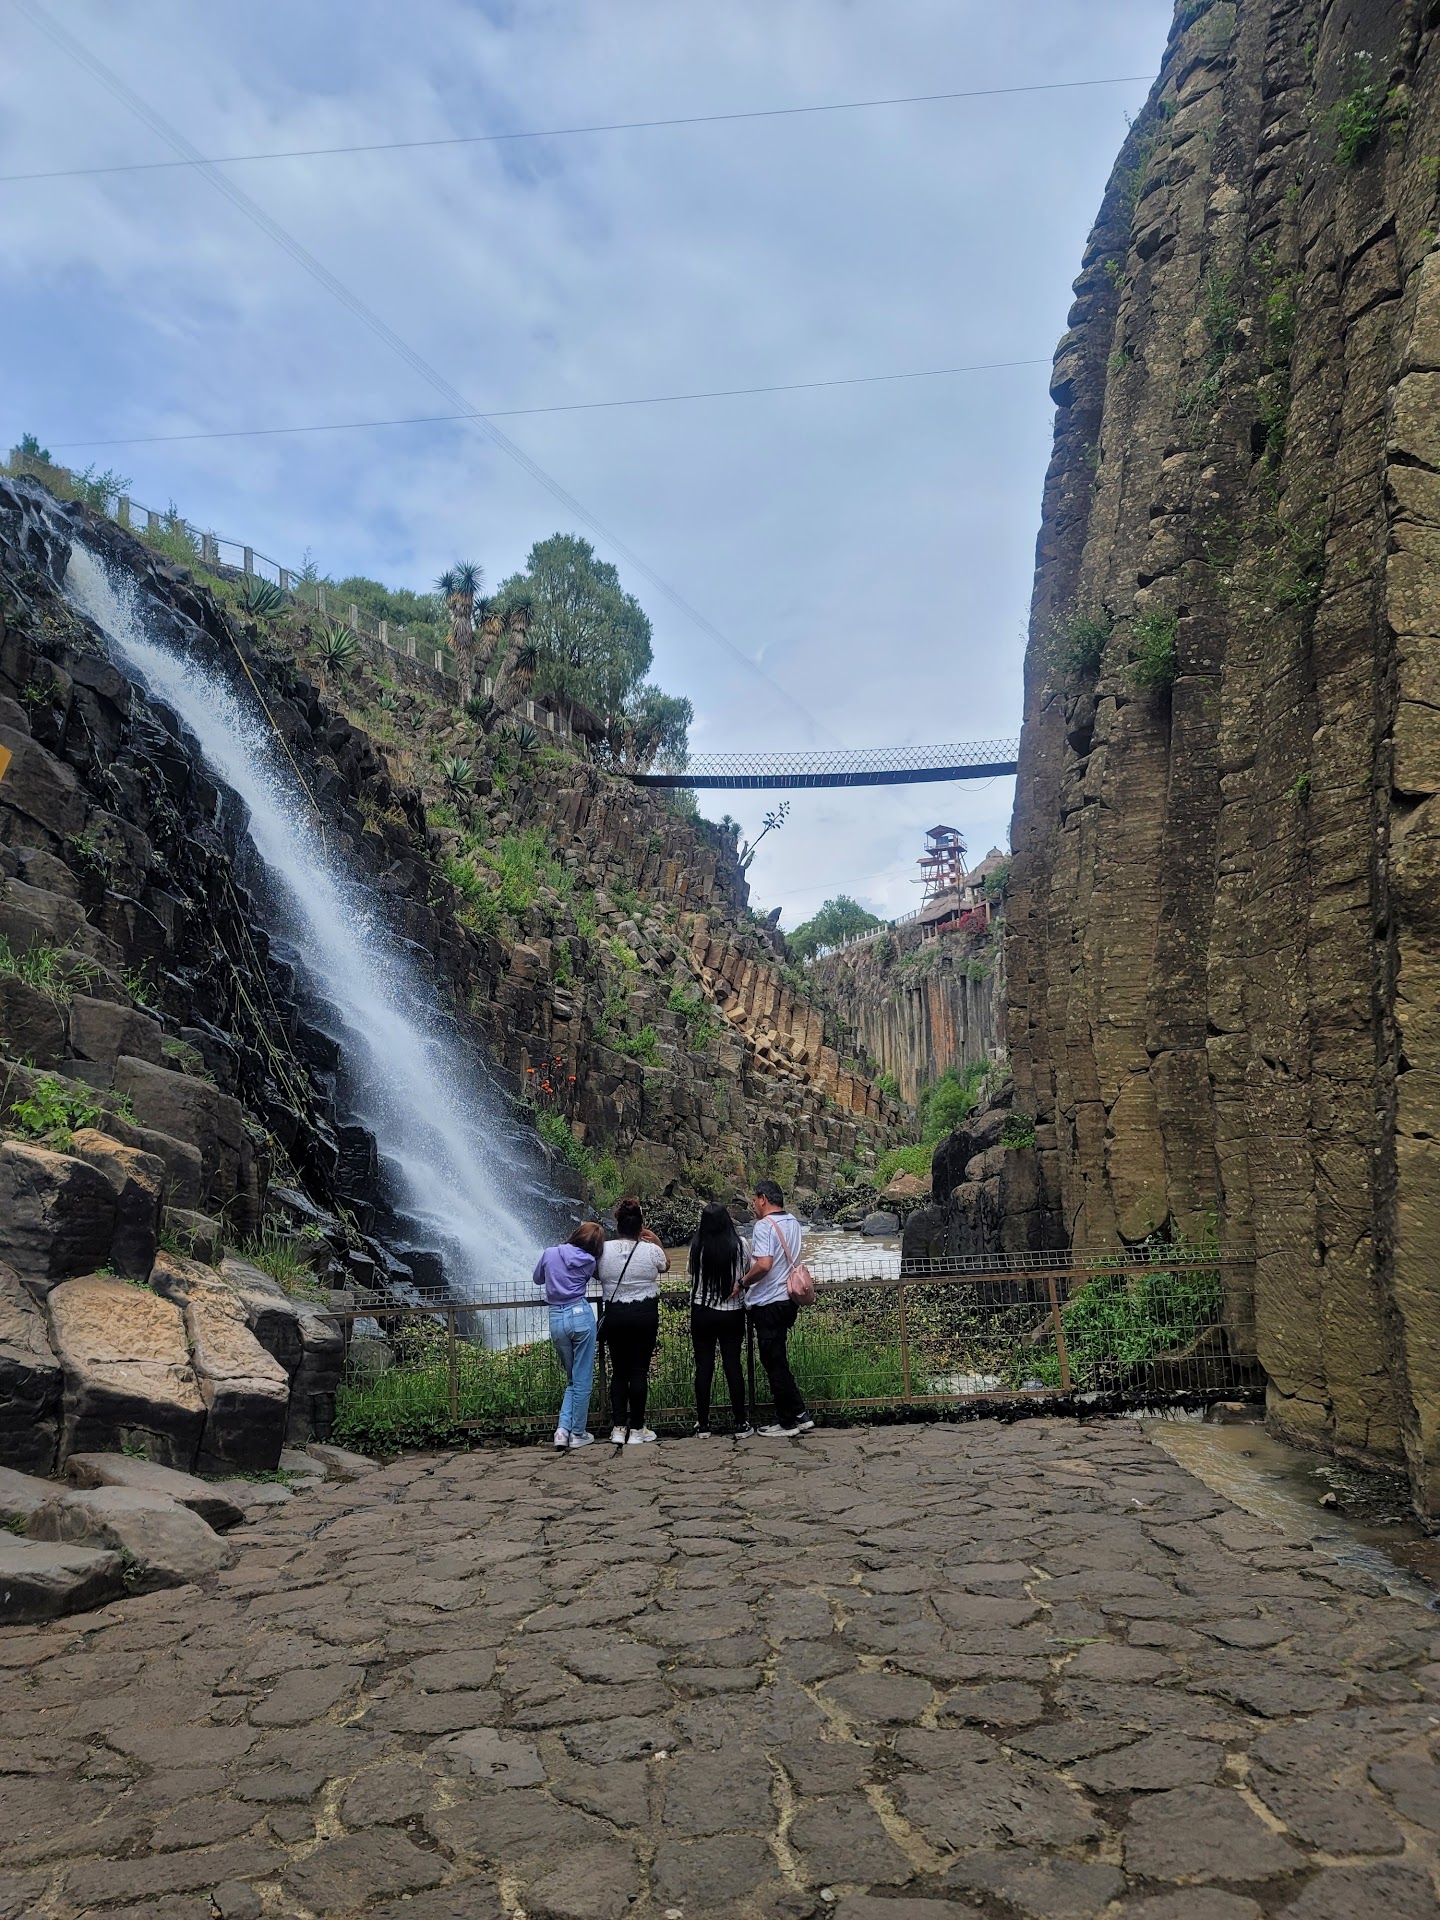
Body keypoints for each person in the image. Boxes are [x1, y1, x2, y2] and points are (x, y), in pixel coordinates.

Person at [741, 1179, 815, 1437]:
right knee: (777, 1359)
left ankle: (786, 1422)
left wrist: (742, 1282)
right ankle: (800, 1414)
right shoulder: (793, 1222)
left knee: (773, 1362)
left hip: (768, 1303)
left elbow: (764, 1264)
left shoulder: (764, 1226)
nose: (753, 1205)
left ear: (763, 1198)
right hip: (788, 1300)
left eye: (754, 1200)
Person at [596, 1197, 669, 1443]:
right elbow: (666, 1265)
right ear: (641, 1227)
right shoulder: (650, 1250)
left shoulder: (604, 1250)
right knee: (638, 1371)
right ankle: (637, 1429)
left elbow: (596, 1274)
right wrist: (655, 1239)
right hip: (644, 1315)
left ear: (618, 1226)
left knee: (619, 1371)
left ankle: (618, 1428)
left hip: (615, 1314)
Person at [532, 1220, 606, 1450]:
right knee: (582, 1379)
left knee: (572, 1380)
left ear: (576, 1234)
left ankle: (562, 1431)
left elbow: (537, 1278)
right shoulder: (590, 1262)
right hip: (580, 1315)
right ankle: (578, 1433)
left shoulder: (549, 1253)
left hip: (556, 1318)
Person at [688, 1202, 750, 1438]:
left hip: (702, 1310)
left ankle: (703, 1425)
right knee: (732, 1365)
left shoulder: (697, 1246)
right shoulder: (740, 1245)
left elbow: (691, 1271)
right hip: (732, 1312)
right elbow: (748, 1272)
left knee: (704, 1367)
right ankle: (740, 1422)